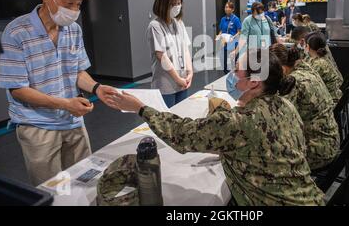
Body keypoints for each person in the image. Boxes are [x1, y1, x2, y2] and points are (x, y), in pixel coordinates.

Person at [107, 49, 325, 206]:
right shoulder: (285, 104)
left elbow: (182, 134)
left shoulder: (241, 121)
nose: (231, 75)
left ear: (254, 82)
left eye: (236, 70)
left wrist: (142, 109)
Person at [0, 0, 119, 186]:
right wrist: (65, 104)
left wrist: (97, 88)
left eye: (78, 5)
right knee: (53, 190)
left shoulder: (73, 30)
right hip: (38, 127)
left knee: (85, 181)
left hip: (73, 122)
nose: (74, 10)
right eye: (69, 3)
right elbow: (17, 89)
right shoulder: (16, 32)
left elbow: (77, 71)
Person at [270, 44, 339, 170]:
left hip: (317, 151)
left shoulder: (295, 81)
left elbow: (278, 119)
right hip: (328, 140)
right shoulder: (306, 68)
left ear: (282, 68)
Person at [146, 0, 193, 108]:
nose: (177, 7)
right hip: (166, 84)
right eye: (173, 4)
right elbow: (162, 56)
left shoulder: (179, 23)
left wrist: (190, 71)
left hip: (183, 81)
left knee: (182, 117)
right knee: (168, 121)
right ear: (163, 4)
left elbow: (185, 49)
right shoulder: (155, 26)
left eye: (179, 3)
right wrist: (178, 79)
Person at [305, 32, 343, 103]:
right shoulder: (321, 58)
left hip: (331, 99)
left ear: (308, 47)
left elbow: (309, 82)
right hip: (332, 95)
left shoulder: (318, 63)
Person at [217, 2, 242, 74]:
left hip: (233, 42)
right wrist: (218, 36)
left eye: (228, 7)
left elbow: (239, 31)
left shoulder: (236, 19)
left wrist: (233, 37)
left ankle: (235, 73)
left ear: (232, 9)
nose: (226, 9)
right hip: (224, 42)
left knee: (233, 60)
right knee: (223, 58)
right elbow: (221, 30)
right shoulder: (223, 19)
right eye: (225, 7)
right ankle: (225, 71)